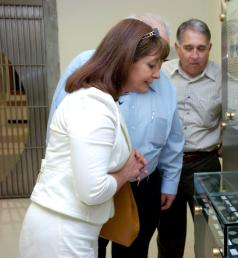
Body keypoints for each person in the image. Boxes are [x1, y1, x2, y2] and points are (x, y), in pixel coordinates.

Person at [18, 18, 168, 258]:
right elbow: (93, 191)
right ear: (126, 60)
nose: (158, 75)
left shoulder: (101, 100)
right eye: (152, 65)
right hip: (63, 233)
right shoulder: (93, 105)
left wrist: (123, 157)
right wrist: (126, 172)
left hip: (73, 228)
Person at [159, 18, 222, 258]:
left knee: (209, 234)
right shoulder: (161, 74)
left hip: (205, 164)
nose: (194, 55)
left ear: (209, 48)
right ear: (177, 48)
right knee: (169, 234)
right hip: (167, 165)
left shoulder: (222, 77)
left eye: (201, 48)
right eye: (188, 48)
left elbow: (236, 115)